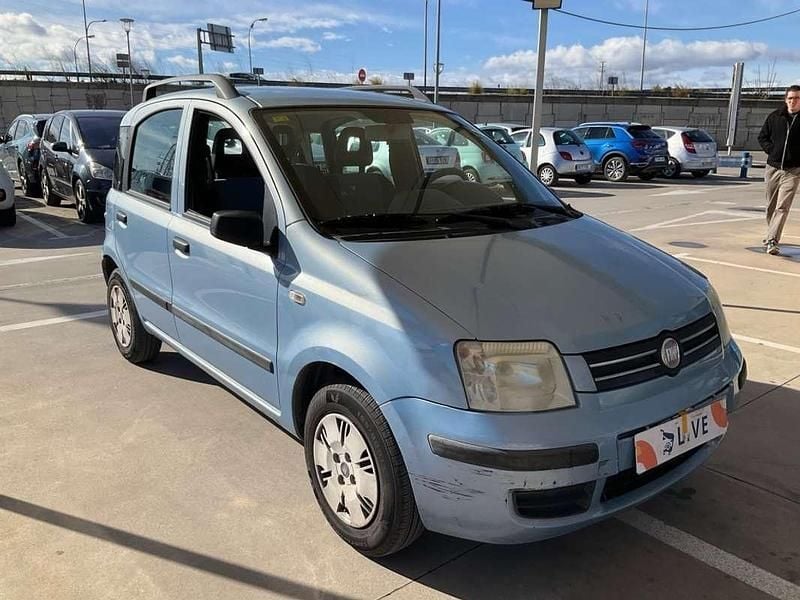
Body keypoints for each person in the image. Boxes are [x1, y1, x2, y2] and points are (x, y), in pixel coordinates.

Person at [758, 85, 800, 255]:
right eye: (790, 98)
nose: (793, 101)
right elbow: (762, 137)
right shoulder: (775, 117)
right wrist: (772, 150)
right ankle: (771, 234)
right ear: (785, 100)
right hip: (773, 167)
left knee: (782, 207)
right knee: (771, 206)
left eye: (797, 98)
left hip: (793, 170)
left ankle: (772, 240)